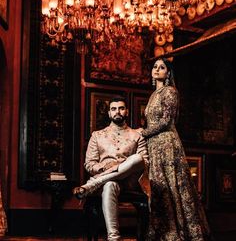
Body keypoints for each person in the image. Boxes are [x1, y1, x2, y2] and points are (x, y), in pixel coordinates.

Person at [140, 57, 212, 241]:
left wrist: (144, 132)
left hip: (167, 144)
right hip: (154, 144)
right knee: (158, 186)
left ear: (168, 73)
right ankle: (162, 230)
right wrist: (147, 136)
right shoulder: (153, 94)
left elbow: (166, 121)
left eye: (162, 67)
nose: (157, 69)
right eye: (155, 66)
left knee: (172, 185)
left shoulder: (170, 91)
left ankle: (178, 231)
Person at [73, 97, 149, 241]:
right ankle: (114, 237)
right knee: (109, 185)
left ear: (126, 111)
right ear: (109, 113)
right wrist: (105, 167)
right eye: (113, 109)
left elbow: (144, 162)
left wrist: (124, 166)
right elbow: (89, 164)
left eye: (121, 108)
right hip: (109, 181)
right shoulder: (97, 135)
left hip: (130, 180)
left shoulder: (137, 134)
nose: (117, 112)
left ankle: (92, 184)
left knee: (138, 159)